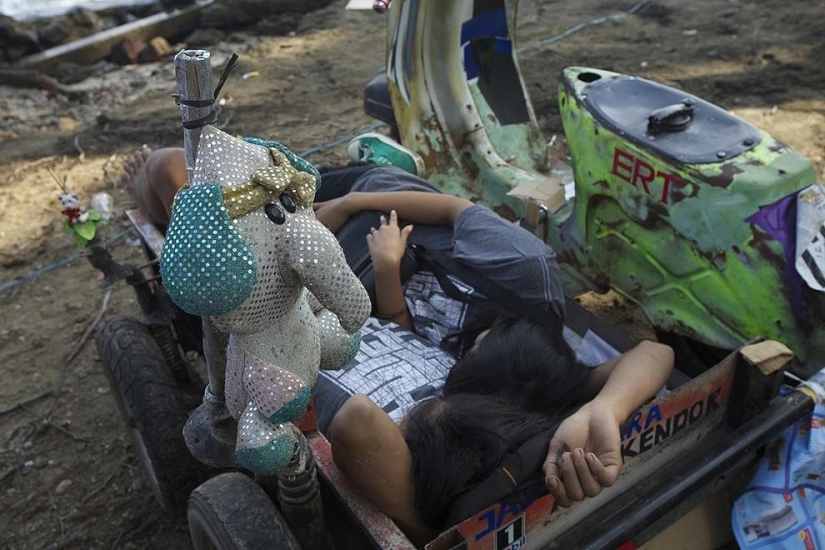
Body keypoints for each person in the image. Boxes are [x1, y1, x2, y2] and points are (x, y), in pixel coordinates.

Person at [121, 132, 674, 545]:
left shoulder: (460, 416)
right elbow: (654, 354)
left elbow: (364, 422)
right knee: (195, 169)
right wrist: (602, 408)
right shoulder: (489, 358)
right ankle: (170, 174)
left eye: (473, 352)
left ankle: (157, 181)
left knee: (174, 173)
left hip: (293, 302)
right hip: (344, 241)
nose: (467, 348)